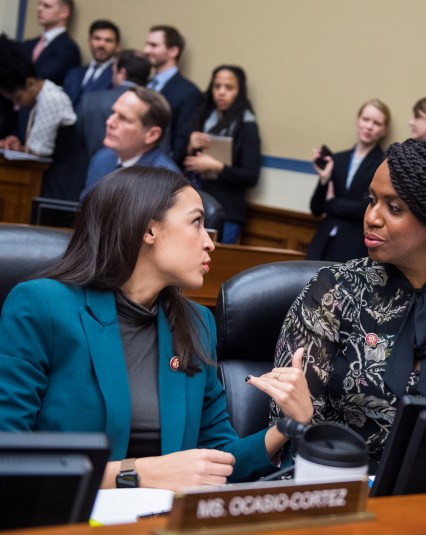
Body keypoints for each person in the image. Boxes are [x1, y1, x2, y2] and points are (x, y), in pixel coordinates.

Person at [0, 167, 313, 490]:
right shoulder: (41, 305)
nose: (210, 243)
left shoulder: (196, 323)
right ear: (149, 230)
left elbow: (216, 458)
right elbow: (9, 456)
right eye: (196, 222)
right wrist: (137, 473)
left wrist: (287, 426)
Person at [255, 138, 426, 466]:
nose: (371, 217)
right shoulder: (334, 291)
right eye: (372, 201)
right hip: (337, 481)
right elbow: (292, 422)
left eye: (393, 207)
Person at [183, 65, 261, 244]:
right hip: (194, 203)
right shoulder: (201, 116)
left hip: (227, 211)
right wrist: (189, 146)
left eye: (228, 87)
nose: (221, 92)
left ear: (239, 91)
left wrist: (215, 166)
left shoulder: (246, 124)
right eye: (216, 86)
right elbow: (177, 163)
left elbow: (251, 176)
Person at [0, 35, 83, 201]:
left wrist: (21, 149)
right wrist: (19, 146)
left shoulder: (51, 98)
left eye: (18, 98)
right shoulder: (41, 97)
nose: (18, 104)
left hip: (63, 179)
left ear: (30, 83)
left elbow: (40, 151)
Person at [305, 99, 390, 262]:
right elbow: (316, 209)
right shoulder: (337, 159)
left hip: (353, 247)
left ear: (384, 130)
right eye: (365, 119)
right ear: (358, 120)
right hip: (322, 243)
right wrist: (324, 180)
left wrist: (332, 203)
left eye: (377, 123)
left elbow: (363, 209)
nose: (369, 126)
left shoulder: (382, 165)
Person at [82, 86, 178, 198]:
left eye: (123, 118)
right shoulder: (101, 159)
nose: (109, 122)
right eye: (113, 112)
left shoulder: (166, 182)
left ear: (152, 135)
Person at [76, 49, 151, 160]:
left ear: (122, 72)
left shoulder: (90, 100)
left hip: (91, 168)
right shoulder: (154, 106)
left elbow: (77, 138)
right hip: (135, 174)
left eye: (114, 70)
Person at [144, 25, 202, 166]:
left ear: (173, 51)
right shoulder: (144, 84)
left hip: (160, 170)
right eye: (146, 45)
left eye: (154, 45)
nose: (146, 50)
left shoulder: (188, 92)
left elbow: (181, 141)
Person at [20, 0, 80, 86]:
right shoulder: (28, 44)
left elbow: (40, 79)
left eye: (46, 6)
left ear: (64, 13)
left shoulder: (68, 49)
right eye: (39, 4)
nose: (39, 9)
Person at [61, 19, 120, 106]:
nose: (101, 44)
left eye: (108, 40)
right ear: (89, 41)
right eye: (97, 38)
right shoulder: (74, 74)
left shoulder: (118, 76)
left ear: (117, 46)